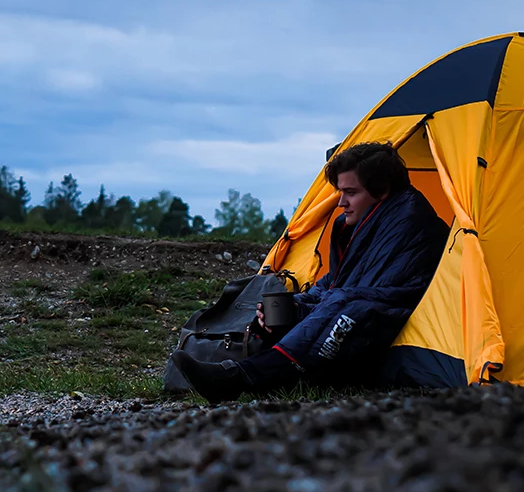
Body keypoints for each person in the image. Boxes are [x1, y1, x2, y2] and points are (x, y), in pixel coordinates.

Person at [171, 141, 450, 403]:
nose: (341, 202)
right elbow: (338, 280)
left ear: (382, 190)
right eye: (340, 192)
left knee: (345, 306)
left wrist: (312, 307)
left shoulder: (409, 221)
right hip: (362, 305)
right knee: (288, 303)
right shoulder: (365, 223)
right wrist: (289, 307)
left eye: (351, 193)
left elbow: (379, 294)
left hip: (396, 318)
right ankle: (260, 357)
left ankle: (241, 377)